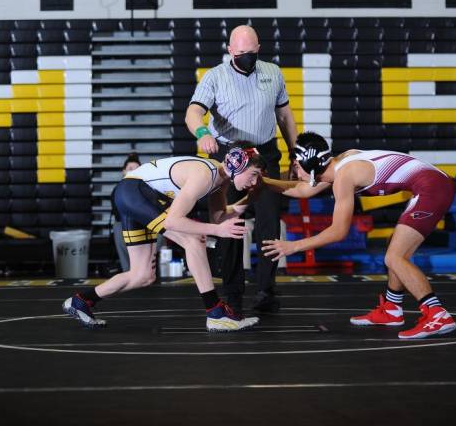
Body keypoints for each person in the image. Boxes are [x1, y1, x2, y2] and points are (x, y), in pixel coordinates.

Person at [261, 132, 456, 339]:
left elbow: (338, 232)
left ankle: (437, 314)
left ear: (310, 164)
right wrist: (263, 182)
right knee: (396, 248)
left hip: (432, 188)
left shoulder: (344, 176)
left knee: (394, 257)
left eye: (296, 164)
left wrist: (294, 246)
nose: (293, 169)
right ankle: (392, 309)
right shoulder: (337, 166)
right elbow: (302, 190)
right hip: (432, 184)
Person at [63, 142, 265, 332]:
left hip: (133, 195)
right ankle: (216, 313)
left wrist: (252, 198)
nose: (254, 181)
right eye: (254, 174)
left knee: (142, 275)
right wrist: (217, 231)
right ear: (237, 164)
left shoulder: (220, 181)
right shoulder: (205, 175)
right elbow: (173, 222)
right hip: (136, 192)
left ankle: (81, 301)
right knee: (193, 239)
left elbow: (218, 217)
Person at [185, 24, 298, 314]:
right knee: (229, 224)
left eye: (251, 52)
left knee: (270, 224)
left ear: (258, 49)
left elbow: (284, 116)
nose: (247, 56)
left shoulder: (273, 72)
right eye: (241, 53)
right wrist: (202, 134)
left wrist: (296, 154)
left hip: (267, 152)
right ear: (230, 51)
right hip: (232, 155)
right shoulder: (215, 77)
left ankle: (265, 291)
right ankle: (232, 293)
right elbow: (193, 112)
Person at [111, 153, 141, 272]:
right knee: (127, 267)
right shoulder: (118, 189)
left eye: (137, 169)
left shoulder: (148, 188)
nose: (134, 172)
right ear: (124, 171)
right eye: (130, 169)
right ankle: (127, 273)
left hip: (143, 226)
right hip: (122, 226)